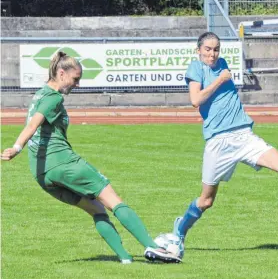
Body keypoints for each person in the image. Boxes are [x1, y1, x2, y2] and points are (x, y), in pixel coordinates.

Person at [1, 51, 181, 264]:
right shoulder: (54, 97)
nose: (77, 84)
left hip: (41, 174)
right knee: (113, 201)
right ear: (61, 73)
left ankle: (125, 259)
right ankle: (153, 247)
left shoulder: (40, 93)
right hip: (63, 163)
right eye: (75, 79)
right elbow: (33, 125)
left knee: (96, 209)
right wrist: (16, 147)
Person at [173, 32, 278, 245]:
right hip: (219, 141)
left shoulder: (221, 63)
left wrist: (222, 76)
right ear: (198, 50)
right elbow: (195, 100)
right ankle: (180, 230)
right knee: (206, 201)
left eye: (216, 49)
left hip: (244, 135)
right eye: (207, 49)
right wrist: (220, 80)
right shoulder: (196, 68)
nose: (212, 54)